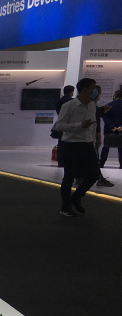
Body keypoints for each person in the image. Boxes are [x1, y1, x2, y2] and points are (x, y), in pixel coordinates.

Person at [55, 77, 101, 217]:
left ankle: (76, 197)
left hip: (88, 145)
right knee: (69, 177)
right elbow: (59, 126)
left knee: (94, 175)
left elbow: (93, 125)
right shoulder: (69, 106)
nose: (95, 91)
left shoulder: (92, 105)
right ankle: (65, 206)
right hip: (71, 145)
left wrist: (95, 139)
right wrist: (80, 125)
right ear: (85, 90)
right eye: (93, 88)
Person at [100, 89, 122, 171]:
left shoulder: (108, 105)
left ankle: (101, 163)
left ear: (115, 96)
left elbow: (105, 117)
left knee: (106, 147)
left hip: (109, 130)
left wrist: (112, 127)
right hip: (121, 130)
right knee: (121, 148)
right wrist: (120, 127)